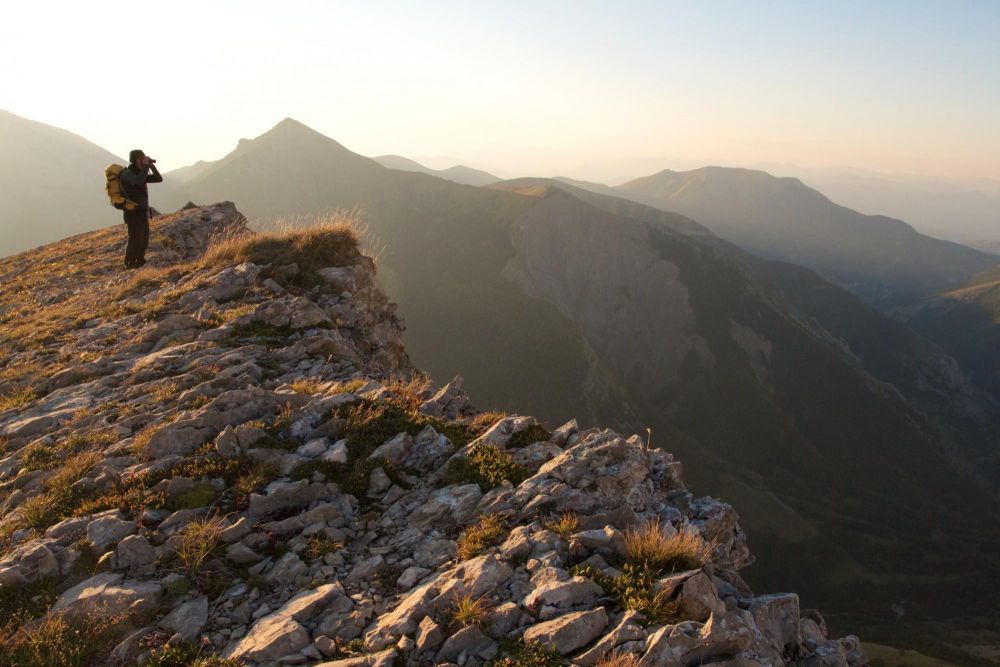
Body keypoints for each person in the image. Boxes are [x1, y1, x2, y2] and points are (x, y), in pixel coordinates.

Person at [120, 149, 163, 269]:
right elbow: (137, 181)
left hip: (142, 212)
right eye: (140, 159)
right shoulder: (128, 174)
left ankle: (139, 262)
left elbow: (158, 179)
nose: (142, 161)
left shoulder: (141, 173)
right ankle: (129, 264)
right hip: (132, 213)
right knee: (135, 238)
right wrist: (145, 168)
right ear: (134, 160)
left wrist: (151, 166)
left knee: (144, 239)